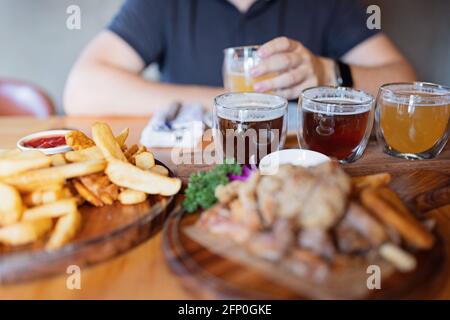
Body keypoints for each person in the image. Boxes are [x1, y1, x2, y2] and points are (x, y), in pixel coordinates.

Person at [64, 0, 416, 115]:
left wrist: (326, 72)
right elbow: (81, 89)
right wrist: (228, 104)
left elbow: (406, 85)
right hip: (189, 170)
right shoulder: (162, 4)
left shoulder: (326, 4)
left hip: (295, 166)